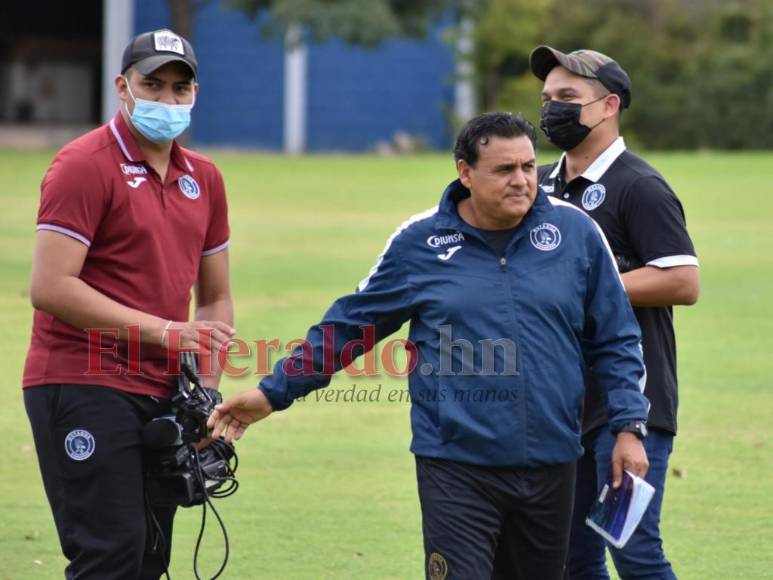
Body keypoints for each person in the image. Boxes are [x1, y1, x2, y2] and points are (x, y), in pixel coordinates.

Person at [208, 112, 650, 580]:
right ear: (464, 172)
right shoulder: (420, 242)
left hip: (554, 459)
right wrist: (274, 392)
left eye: (527, 166)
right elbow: (348, 327)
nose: (522, 181)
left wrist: (628, 427)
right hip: (455, 465)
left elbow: (617, 338)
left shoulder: (576, 234)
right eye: (504, 170)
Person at [23, 29, 235, 579]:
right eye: (152, 85)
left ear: (195, 94)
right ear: (123, 86)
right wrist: (165, 332)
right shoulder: (83, 164)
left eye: (179, 88)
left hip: (164, 391)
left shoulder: (204, 179)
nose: (167, 100)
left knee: (149, 558)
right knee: (110, 554)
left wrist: (206, 391)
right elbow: (51, 286)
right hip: (81, 380)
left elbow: (214, 298)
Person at [529, 46, 700, 580]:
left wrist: (589, 287)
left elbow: (681, 279)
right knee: (572, 559)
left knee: (633, 550)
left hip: (630, 409)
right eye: (547, 98)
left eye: (567, 98)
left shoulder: (639, 187)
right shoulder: (537, 185)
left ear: (608, 107)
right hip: (559, 406)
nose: (552, 109)